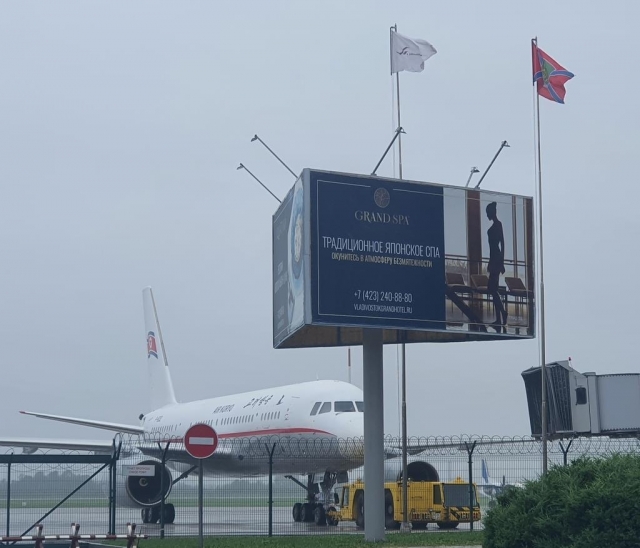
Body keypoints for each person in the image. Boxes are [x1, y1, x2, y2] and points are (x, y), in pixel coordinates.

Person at [486, 202, 507, 332]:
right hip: (493, 259)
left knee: (492, 289)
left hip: (496, 259)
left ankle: (502, 314)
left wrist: (501, 263)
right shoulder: (494, 226)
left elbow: (502, 244)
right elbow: (492, 249)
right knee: (493, 289)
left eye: (488, 212)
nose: (487, 215)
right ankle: (499, 318)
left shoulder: (498, 225)